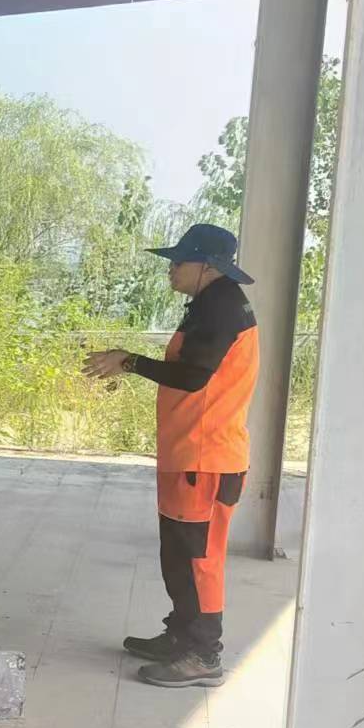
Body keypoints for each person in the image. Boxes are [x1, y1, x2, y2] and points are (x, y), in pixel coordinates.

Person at [83, 224, 260, 689]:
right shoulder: (210, 303)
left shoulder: (220, 307)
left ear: (208, 267)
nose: (172, 269)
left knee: (199, 559)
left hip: (207, 457)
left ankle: (203, 654)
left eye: (180, 261)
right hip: (189, 454)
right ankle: (181, 635)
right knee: (179, 554)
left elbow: (193, 376)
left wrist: (129, 361)